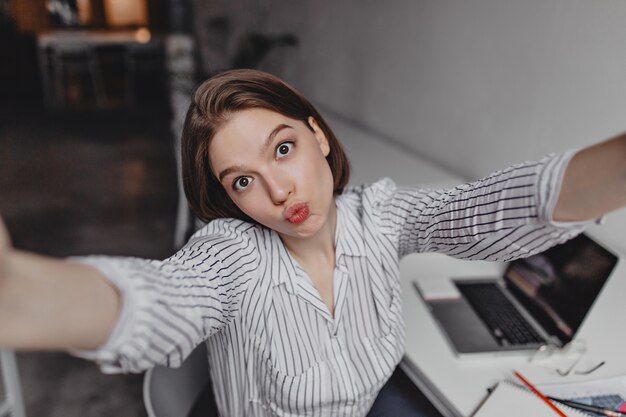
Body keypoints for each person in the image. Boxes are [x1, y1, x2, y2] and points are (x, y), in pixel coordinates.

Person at [0, 69, 625, 417]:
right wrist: (18, 294)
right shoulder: (231, 254)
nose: (277, 189)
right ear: (229, 198)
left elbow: (488, 207)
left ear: (318, 135)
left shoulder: (379, 216)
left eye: (283, 148)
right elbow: (158, 298)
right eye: (244, 180)